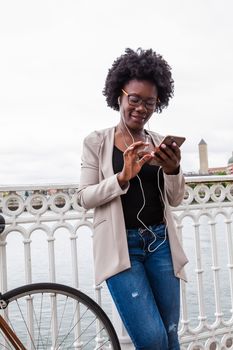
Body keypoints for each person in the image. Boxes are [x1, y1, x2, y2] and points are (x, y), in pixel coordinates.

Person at [77, 48, 188, 350]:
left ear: (158, 103)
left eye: (149, 102)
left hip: (161, 244)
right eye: (134, 99)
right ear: (119, 96)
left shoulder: (158, 142)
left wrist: (173, 168)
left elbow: (176, 199)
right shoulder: (96, 142)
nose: (141, 108)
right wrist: (121, 178)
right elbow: (84, 197)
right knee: (152, 340)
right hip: (121, 248)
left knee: (170, 333)